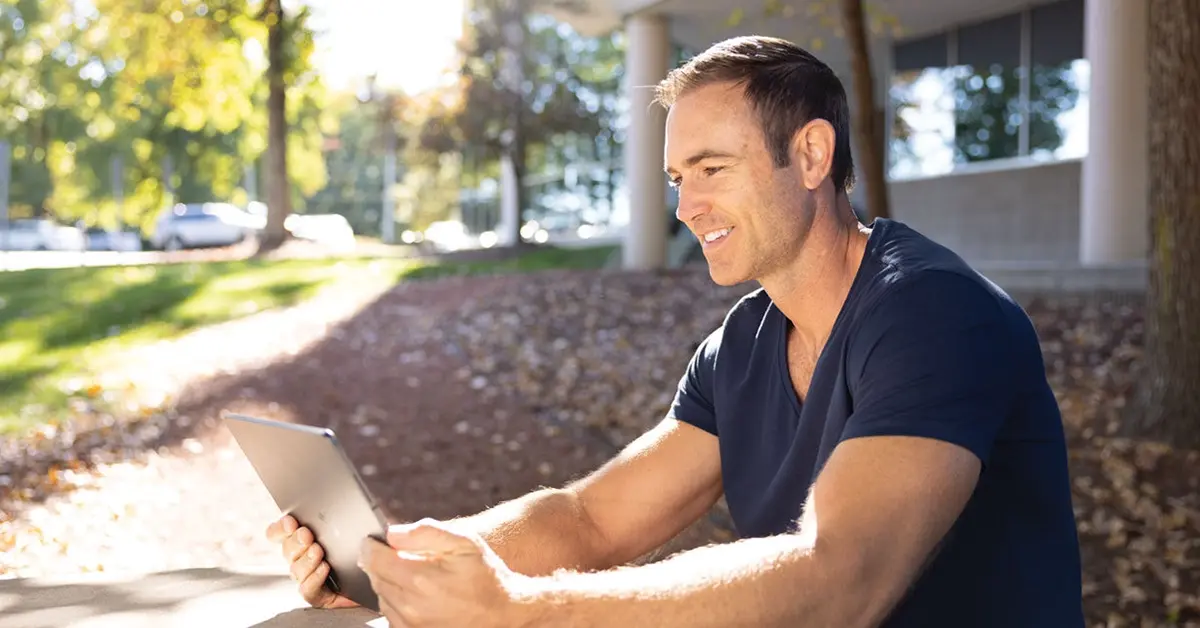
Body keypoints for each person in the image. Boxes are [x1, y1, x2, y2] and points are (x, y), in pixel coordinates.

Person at [266, 35, 1085, 627]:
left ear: (809, 155)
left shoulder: (934, 314)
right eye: (677, 179)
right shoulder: (742, 346)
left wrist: (526, 614)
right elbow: (591, 521)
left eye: (712, 171)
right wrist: (402, 562)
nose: (686, 207)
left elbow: (843, 580)